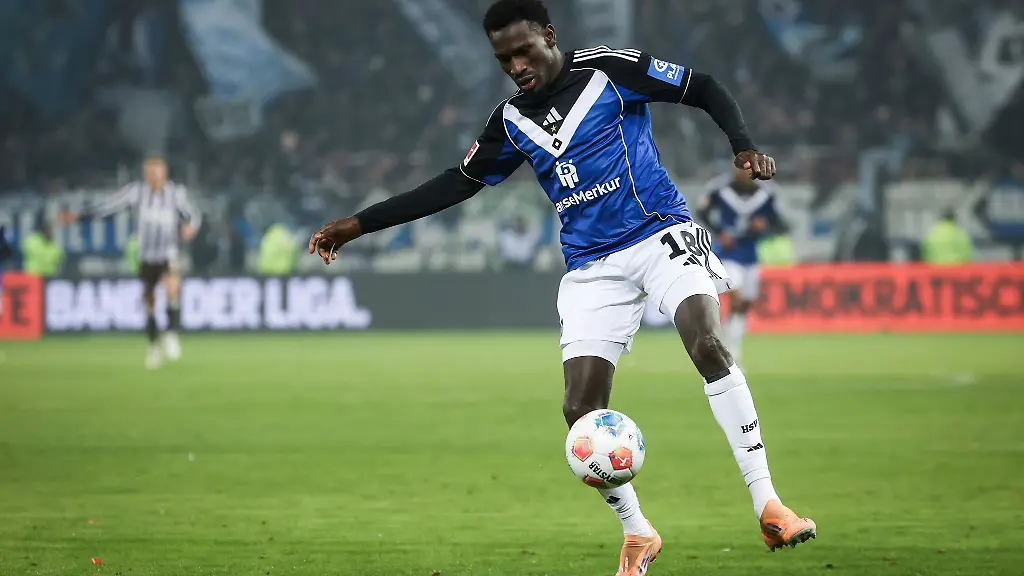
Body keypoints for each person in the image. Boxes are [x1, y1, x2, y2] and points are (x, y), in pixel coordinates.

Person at [308, 1, 815, 573]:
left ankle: (768, 504)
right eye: (504, 59)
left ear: (549, 36)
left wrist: (741, 144)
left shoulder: (609, 68)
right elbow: (454, 184)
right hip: (592, 266)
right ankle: (638, 532)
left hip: (660, 232)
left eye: (524, 51)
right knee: (579, 409)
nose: (516, 66)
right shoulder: (509, 122)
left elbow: (703, 87)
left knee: (707, 343)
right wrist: (360, 224)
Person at [64, 156, 202, 369]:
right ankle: (154, 346)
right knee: (150, 301)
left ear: (164, 173)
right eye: (150, 172)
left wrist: (191, 227)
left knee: (173, 286)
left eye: (157, 172)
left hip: (169, 251)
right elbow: (108, 207)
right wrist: (81, 216)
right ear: (145, 174)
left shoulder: (176, 193)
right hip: (147, 255)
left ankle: (172, 333)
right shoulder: (136, 192)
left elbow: (194, 214)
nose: (154, 176)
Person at [696, 166, 784, 362]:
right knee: (735, 298)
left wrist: (764, 225)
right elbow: (702, 211)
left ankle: (729, 340)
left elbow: (778, 220)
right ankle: (730, 350)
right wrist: (719, 233)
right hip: (728, 252)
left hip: (750, 253)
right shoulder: (720, 188)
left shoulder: (766, 192)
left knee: (746, 303)